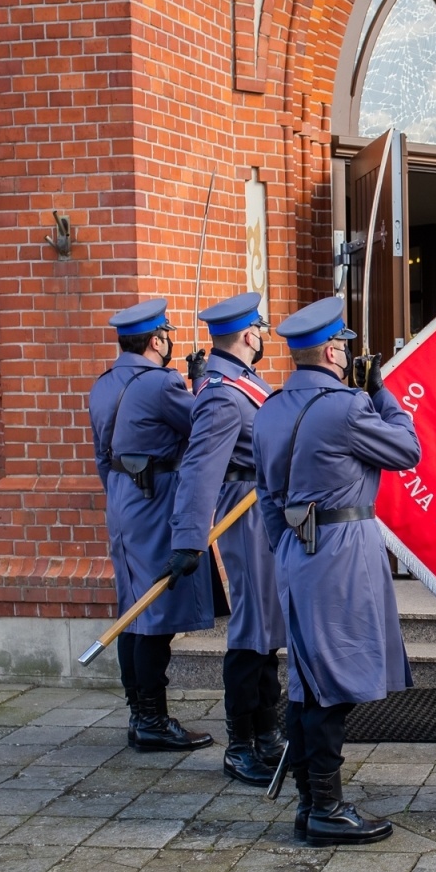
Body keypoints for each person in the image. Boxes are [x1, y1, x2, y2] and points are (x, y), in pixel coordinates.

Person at [253, 296, 421, 845]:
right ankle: (325, 807)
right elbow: (407, 449)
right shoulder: (348, 405)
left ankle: (311, 801)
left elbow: (267, 494)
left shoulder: (271, 407)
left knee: (310, 676)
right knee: (332, 680)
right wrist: (381, 392)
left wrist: (285, 548)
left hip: (298, 548)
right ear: (331, 350)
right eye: (345, 347)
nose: (349, 356)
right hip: (343, 548)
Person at [89, 299, 214, 753]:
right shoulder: (162, 383)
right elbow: (203, 425)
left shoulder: (103, 384)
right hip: (155, 499)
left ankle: (140, 713)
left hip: (123, 500)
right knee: (153, 611)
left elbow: (102, 456)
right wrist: (200, 383)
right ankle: (152, 721)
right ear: (158, 340)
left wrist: (122, 492)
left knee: (132, 611)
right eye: (167, 335)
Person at [170, 293, 284, 785]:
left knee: (270, 628)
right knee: (253, 630)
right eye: (260, 330)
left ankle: (267, 731)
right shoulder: (222, 392)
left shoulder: (240, 382)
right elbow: (200, 469)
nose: (263, 337)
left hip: (267, 508)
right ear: (248, 335)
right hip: (247, 512)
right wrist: (189, 538)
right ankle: (241, 745)